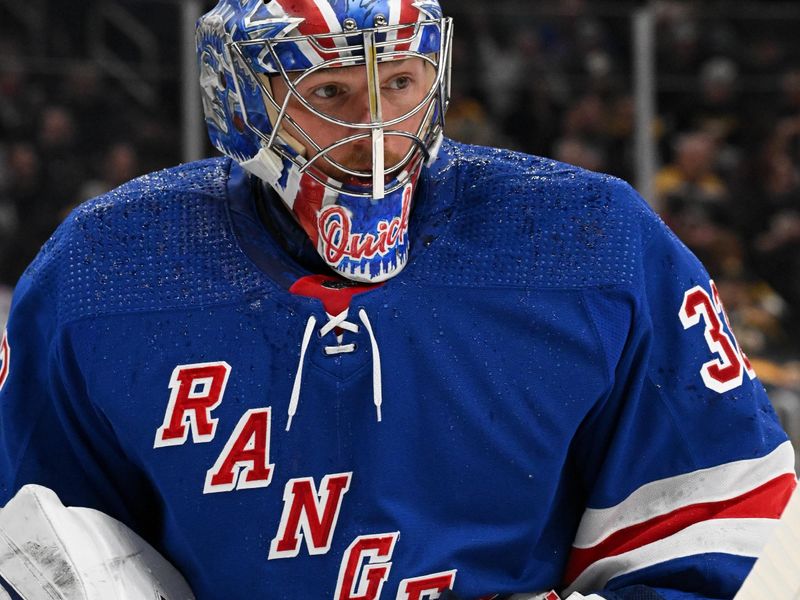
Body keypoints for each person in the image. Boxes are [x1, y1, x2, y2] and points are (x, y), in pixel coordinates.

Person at [0, 1, 795, 599]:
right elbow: (37, 546)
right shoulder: (109, 270)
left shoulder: (590, 241)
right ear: (245, 102)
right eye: (332, 93)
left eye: (399, 84)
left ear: (438, 74)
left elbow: (718, 515)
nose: (376, 134)